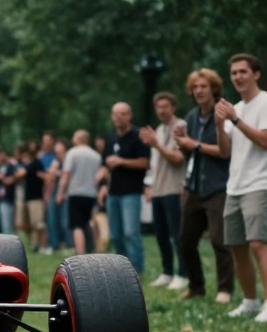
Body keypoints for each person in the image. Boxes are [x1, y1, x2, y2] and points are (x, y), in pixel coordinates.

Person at [216, 54, 267, 322]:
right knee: (236, 246)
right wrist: (219, 125)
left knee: (258, 243)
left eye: (243, 71)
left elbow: (265, 141)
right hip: (235, 186)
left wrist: (233, 120)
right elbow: (224, 151)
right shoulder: (237, 108)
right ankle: (250, 301)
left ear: (256, 74)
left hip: (261, 183)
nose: (237, 77)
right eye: (233, 73)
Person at [173, 69, 234, 303]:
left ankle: (225, 290)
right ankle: (196, 287)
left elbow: (224, 152)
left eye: (203, 86)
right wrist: (181, 143)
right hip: (194, 186)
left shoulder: (222, 112)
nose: (198, 90)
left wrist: (193, 144)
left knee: (220, 240)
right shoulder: (191, 116)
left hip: (218, 185)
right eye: (195, 87)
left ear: (214, 89)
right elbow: (191, 154)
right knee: (186, 239)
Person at [140, 92, 189, 291]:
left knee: (177, 234)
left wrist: (156, 144)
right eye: (158, 107)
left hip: (175, 188)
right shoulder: (159, 129)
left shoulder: (181, 127)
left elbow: (178, 158)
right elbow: (154, 163)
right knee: (161, 234)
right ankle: (167, 272)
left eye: (165, 106)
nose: (161, 110)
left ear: (173, 107)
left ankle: (183, 274)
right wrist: (149, 185)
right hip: (158, 189)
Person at [97, 102, 150, 273]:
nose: (118, 117)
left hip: (131, 192)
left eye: (122, 113)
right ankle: (121, 272)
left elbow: (145, 162)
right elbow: (106, 164)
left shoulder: (137, 136)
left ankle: (136, 272)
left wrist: (121, 161)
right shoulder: (111, 138)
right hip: (113, 193)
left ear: (129, 115)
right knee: (116, 235)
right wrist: (103, 184)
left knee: (131, 233)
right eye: (115, 114)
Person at [57, 130, 102, 255]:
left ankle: (80, 252)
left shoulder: (72, 153)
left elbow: (66, 174)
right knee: (88, 222)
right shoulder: (96, 155)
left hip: (76, 192)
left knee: (77, 225)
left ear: (78, 139)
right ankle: (93, 247)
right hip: (91, 193)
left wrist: (61, 192)